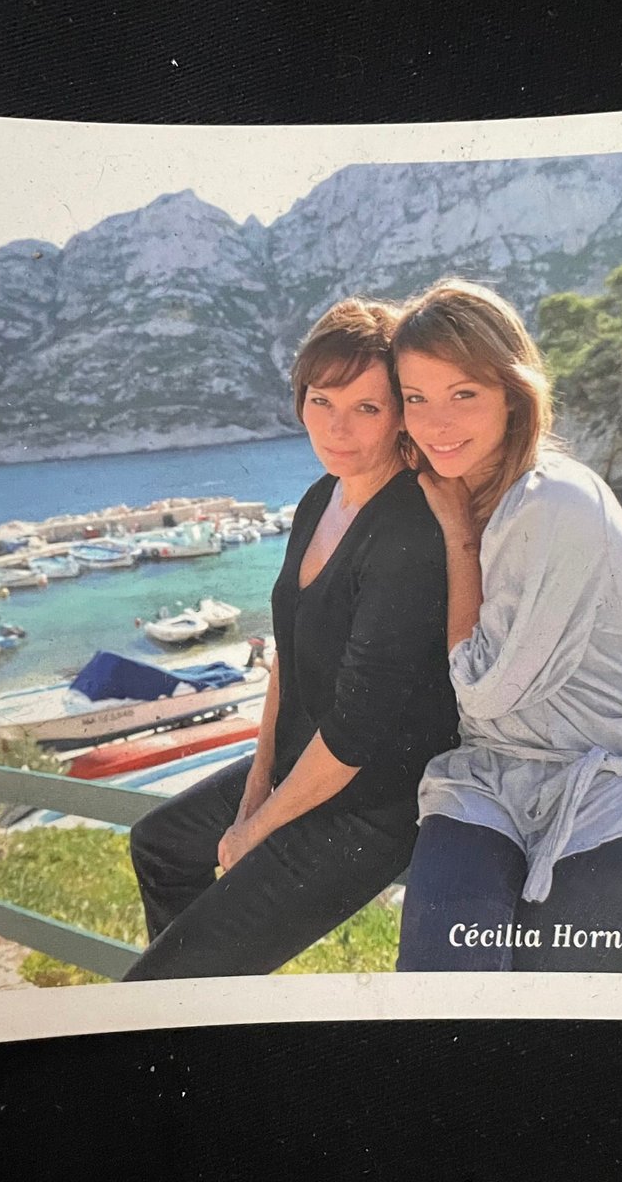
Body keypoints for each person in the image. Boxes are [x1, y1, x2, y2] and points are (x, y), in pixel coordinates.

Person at [390, 279, 622, 973]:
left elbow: (485, 694)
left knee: (535, 1013)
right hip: (489, 783)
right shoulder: (460, 492)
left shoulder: (555, 501)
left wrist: (458, 541)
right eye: (416, 398)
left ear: (513, 395)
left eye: (463, 394)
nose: (436, 423)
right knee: (437, 996)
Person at [123, 298, 459, 981]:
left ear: (401, 414)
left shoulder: (405, 529)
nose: (337, 428)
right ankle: (209, 1009)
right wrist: (257, 780)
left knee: (161, 982)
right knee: (159, 843)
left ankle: (190, 996)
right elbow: (287, 652)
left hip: (370, 804)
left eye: (366, 407)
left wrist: (259, 825)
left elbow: (356, 732)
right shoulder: (319, 498)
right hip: (304, 769)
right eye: (321, 401)